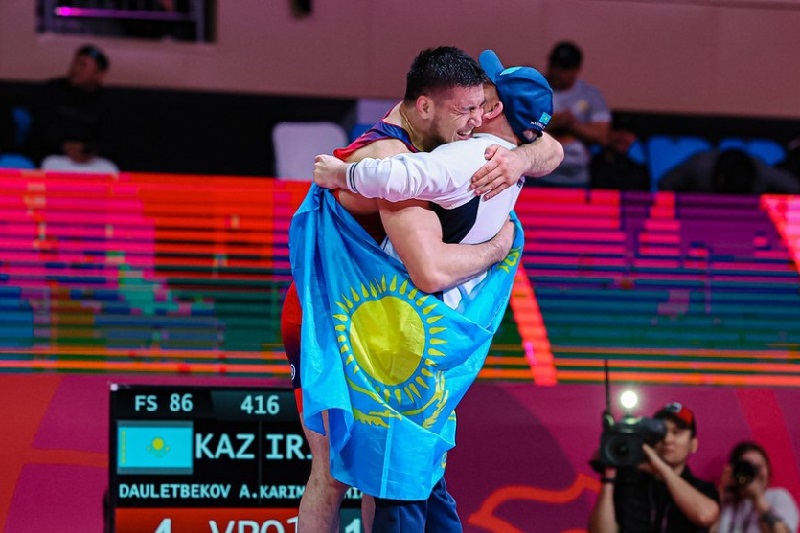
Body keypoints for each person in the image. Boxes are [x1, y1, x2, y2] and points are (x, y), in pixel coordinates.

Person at [282, 46, 562, 532]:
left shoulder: (436, 130)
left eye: (481, 107)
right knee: (333, 473)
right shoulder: (394, 162)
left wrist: (520, 157)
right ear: (426, 106)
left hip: (378, 321)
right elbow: (430, 271)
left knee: (382, 472)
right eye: (466, 110)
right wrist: (500, 247)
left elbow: (548, 145)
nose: (476, 121)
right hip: (329, 315)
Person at [589, 401, 721, 532]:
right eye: (662, 432)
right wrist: (609, 477)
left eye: (677, 432)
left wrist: (660, 467)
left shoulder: (703, 489)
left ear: (693, 444)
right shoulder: (628, 484)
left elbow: (705, 516)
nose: (668, 440)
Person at [27, 44, 118, 173]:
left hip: (91, 159)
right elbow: (41, 129)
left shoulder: (106, 101)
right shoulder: (52, 91)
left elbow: (111, 138)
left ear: (99, 74)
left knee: (108, 170)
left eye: (83, 65)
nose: (76, 69)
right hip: (53, 156)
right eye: (75, 63)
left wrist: (90, 150)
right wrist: (64, 146)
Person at [535, 40, 610, 188]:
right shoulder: (536, 90)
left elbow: (602, 135)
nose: (559, 73)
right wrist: (554, 123)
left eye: (565, 68)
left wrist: (572, 125)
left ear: (577, 69)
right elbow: (524, 127)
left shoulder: (590, 95)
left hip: (575, 179)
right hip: (538, 175)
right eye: (556, 66)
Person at [713, 441, 799, 533]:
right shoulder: (727, 502)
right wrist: (722, 489)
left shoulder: (778, 497)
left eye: (758, 467)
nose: (754, 474)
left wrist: (758, 497)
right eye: (747, 467)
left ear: (768, 470)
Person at [658, 148, 800, 194]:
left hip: (745, 224)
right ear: (719, 180)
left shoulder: (761, 173)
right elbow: (665, 184)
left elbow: (795, 189)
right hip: (698, 220)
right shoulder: (699, 167)